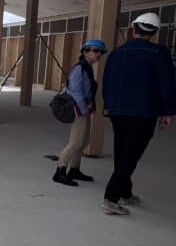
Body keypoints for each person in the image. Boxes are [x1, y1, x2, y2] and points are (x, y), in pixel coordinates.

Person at [101, 11, 176, 215]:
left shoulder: (116, 53)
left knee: (122, 152)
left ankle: (125, 192)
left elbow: (107, 82)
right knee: (130, 156)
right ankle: (111, 198)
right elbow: (166, 85)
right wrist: (168, 111)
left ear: (133, 29)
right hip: (144, 112)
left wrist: (109, 105)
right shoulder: (159, 53)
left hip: (118, 111)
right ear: (154, 33)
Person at [53, 38, 107, 187]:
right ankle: (60, 170)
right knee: (76, 142)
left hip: (85, 108)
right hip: (79, 110)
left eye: (100, 52)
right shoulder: (80, 69)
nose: (98, 55)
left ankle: (74, 170)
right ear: (85, 52)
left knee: (83, 141)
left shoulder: (87, 67)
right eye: (95, 51)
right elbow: (76, 91)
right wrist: (84, 110)